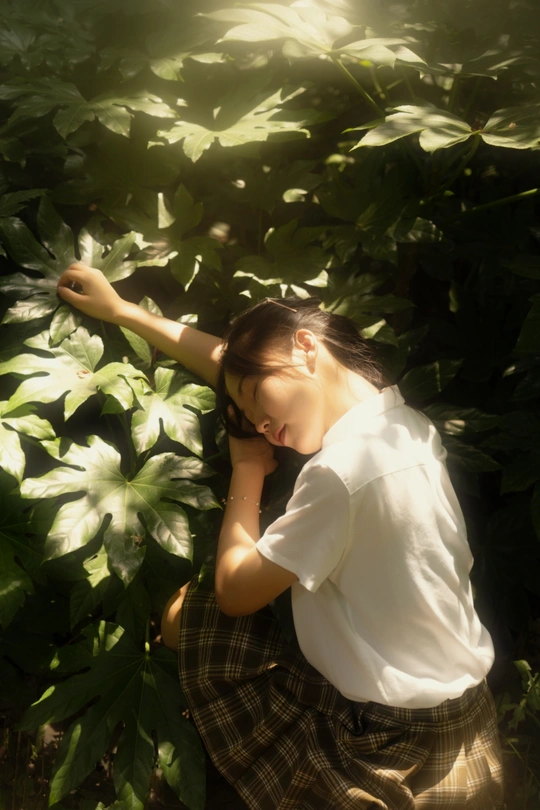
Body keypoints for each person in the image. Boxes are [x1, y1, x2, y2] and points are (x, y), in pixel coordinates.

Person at [57, 263, 504, 810]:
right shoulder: (401, 423)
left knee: (190, 614)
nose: (260, 426)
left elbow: (234, 591)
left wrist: (246, 469)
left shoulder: (340, 473)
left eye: (253, 401)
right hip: (465, 717)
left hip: (393, 741)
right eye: (248, 419)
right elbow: (236, 363)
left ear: (306, 346)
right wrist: (124, 311)